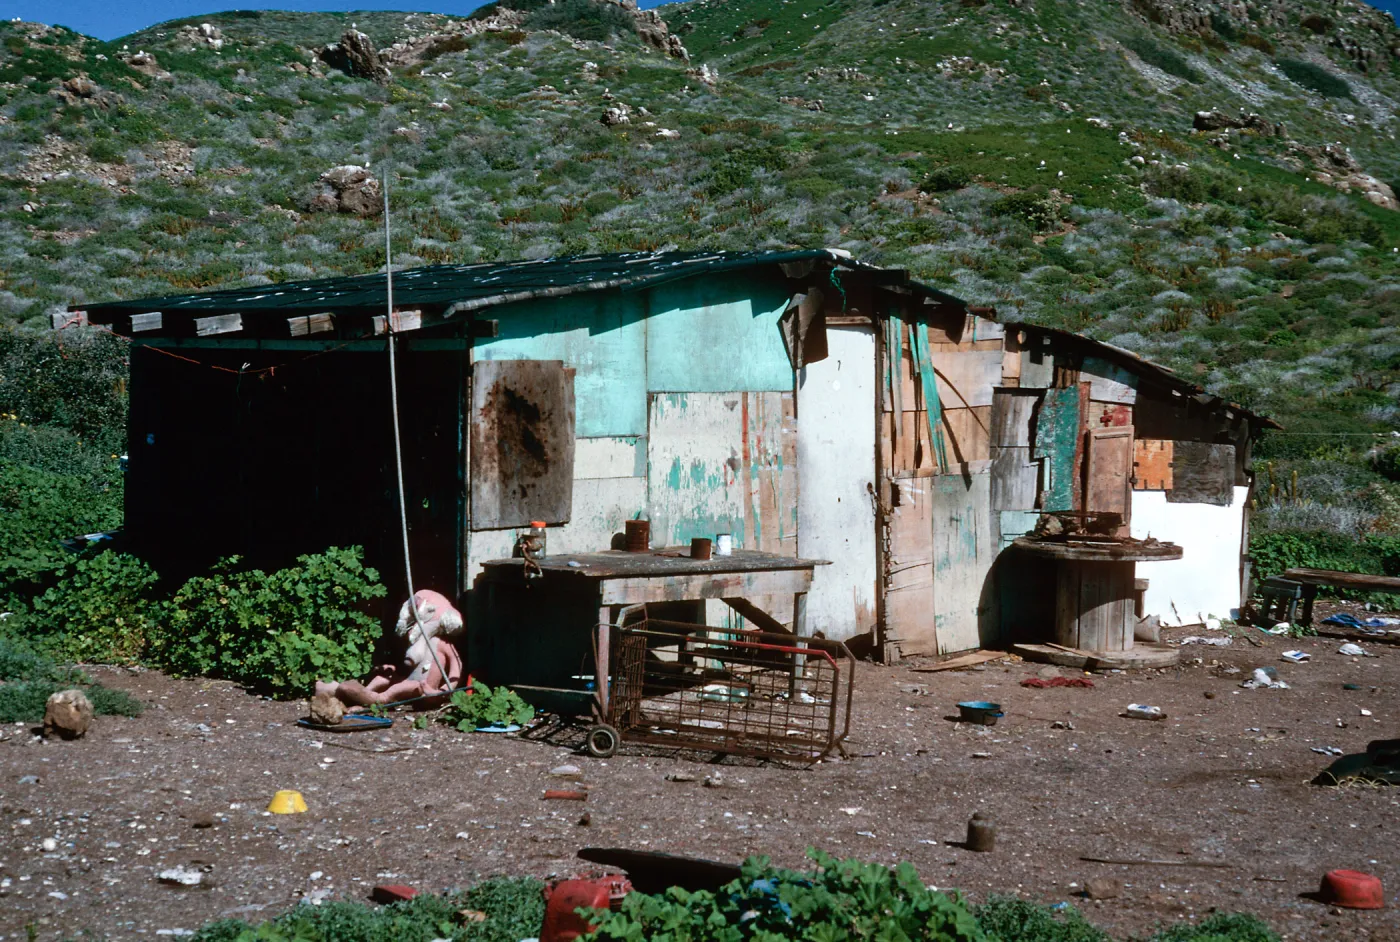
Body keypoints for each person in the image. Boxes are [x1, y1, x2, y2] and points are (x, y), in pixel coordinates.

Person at [315, 589, 463, 708]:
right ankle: (360, 693)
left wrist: (442, 692)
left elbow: (456, 670)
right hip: (409, 679)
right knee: (383, 678)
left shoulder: (443, 644)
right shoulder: (417, 641)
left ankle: (379, 700)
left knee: (398, 688)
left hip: (422, 688)